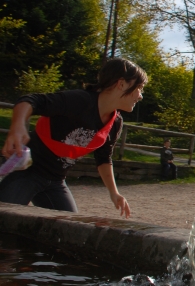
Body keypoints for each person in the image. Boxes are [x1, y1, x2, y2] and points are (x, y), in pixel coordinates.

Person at [0, 58, 147, 217]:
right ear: (122, 84)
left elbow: (104, 158)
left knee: (71, 230)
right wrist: (17, 127)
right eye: (139, 88)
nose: (140, 96)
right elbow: (30, 101)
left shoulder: (115, 123)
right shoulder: (80, 101)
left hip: (56, 182)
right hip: (27, 173)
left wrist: (114, 193)